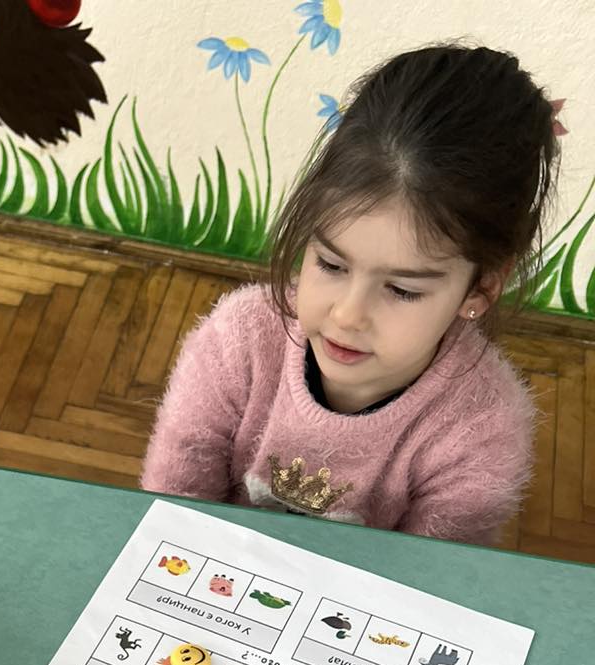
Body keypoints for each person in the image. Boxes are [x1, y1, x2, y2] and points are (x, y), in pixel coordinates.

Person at [142, 45, 560, 542]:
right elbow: (170, 517)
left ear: (482, 286)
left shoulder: (483, 427)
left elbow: (428, 579)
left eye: (402, 290)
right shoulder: (236, 342)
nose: (346, 315)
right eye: (331, 264)